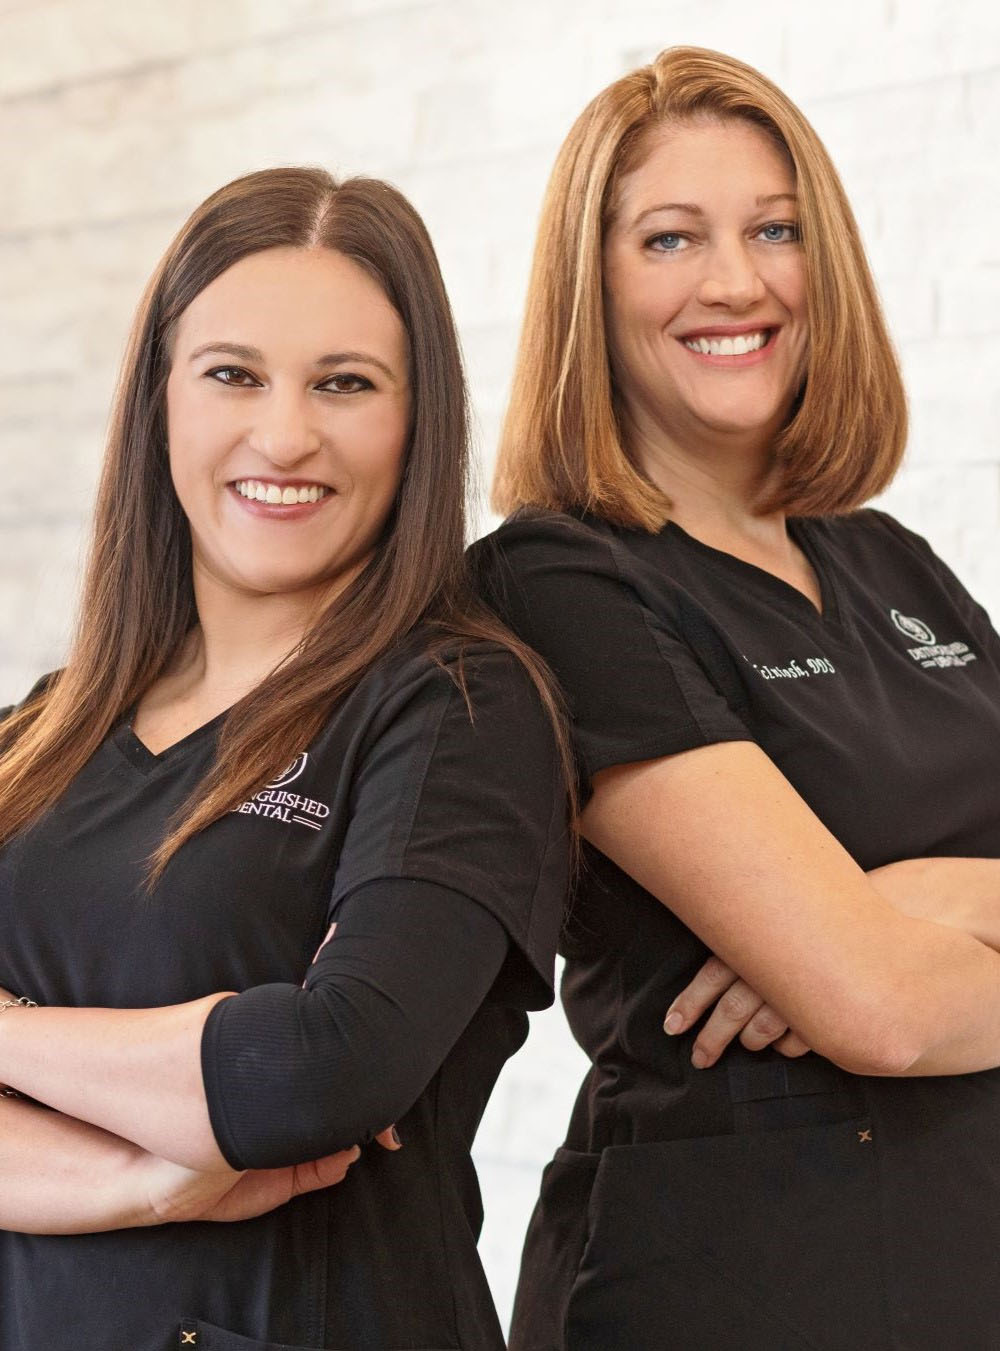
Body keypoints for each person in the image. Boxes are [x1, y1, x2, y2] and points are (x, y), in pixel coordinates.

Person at [472, 45, 1000, 1351]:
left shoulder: (891, 562)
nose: (738, 280)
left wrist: (947, 895)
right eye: (670, 238)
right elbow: (876, 1006)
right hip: (731, 1283)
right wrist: (871, 945)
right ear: (588, 284)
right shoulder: (559, 579)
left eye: (776, 228)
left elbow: (883, 970)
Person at [0, 166, 569, 1351]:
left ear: (418, 422)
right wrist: (145, 1178)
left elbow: (318, 1071)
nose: (284, 433)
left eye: (345, 384)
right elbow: (251, 1077)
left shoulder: (457, 706)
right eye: (233, 375)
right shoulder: (40, 737)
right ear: (161, 398)